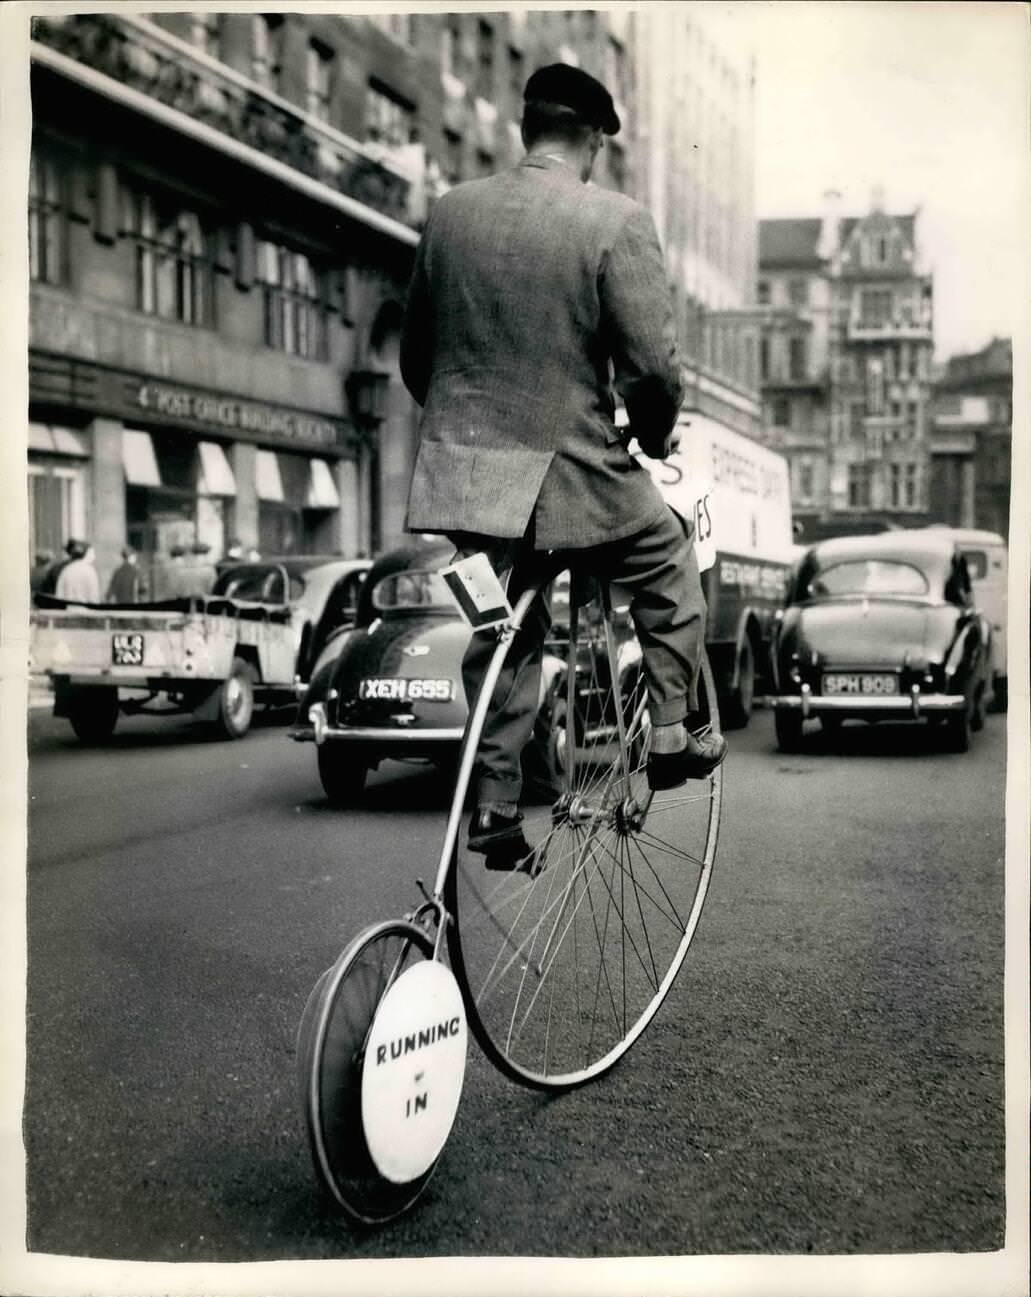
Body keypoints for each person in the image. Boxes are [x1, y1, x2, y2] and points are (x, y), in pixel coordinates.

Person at [401, 63, 726, 869]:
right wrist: (650, 441)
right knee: (664, 550)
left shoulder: (448, 215)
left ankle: (495, 808)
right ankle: (676, 728)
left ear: (525, 130)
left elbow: (418, 358)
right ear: (591, 140)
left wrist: (471, 434)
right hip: (576, 478)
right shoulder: (612, 220)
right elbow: (651, 368)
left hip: (467, 487)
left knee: (499, 629)